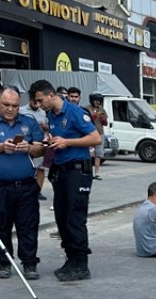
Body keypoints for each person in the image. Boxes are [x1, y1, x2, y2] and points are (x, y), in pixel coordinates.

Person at [29, 79, 100, 281]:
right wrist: (50, 142)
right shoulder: (51, 115)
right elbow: (58, 138)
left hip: (78, 171)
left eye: (41, 100)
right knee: (62, 218)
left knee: (75, 217)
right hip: (61, 171)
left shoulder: (75, 112)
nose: (39, 105)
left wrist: (67, 142)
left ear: (51, 95)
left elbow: (96, 139)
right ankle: (71, 259)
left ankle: (81, 264)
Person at [0, 85, 45, 280]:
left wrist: (28, 147)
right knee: (0, 225)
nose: (11, 109)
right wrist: (1, 147)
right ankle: (3, 262)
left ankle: (30, 263)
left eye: (14, 105)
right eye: (6, 104)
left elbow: (41, 148)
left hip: (25, 185)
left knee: (28, 225)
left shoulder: (28, 122)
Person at [23, 92, 51, 200]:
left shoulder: (43, 112)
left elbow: (49, 128)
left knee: (40, 168)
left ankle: (38, 191)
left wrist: (45, 127)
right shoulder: (21, 111)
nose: (37, 104)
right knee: (27, 168)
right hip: (26, 143)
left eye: (39, 101)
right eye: (35, 101)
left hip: (40, 143)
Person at [87, 93, 107, 180]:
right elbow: (86, 119)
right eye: (96, 101)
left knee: (98, 155)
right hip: (89, 133)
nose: (97, 103)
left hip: (100, 133)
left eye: (99, 101)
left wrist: (102, 118)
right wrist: (95, 115)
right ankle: (88, 172)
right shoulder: (87, 108)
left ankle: (97, 173)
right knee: (89, 153)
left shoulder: (102, 110)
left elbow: (105, 123)